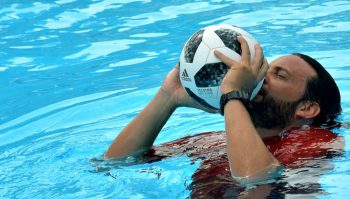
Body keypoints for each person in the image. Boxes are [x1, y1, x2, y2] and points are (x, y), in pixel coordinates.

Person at [104, 36, 342, 185]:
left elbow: (256, 181)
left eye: (279, 75)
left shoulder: (318, 142)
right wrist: (168, 96)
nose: (259, 76)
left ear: (307, 107)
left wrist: (233, 95)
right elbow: (118, 162)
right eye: (264, 68)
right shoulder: (214, 143)